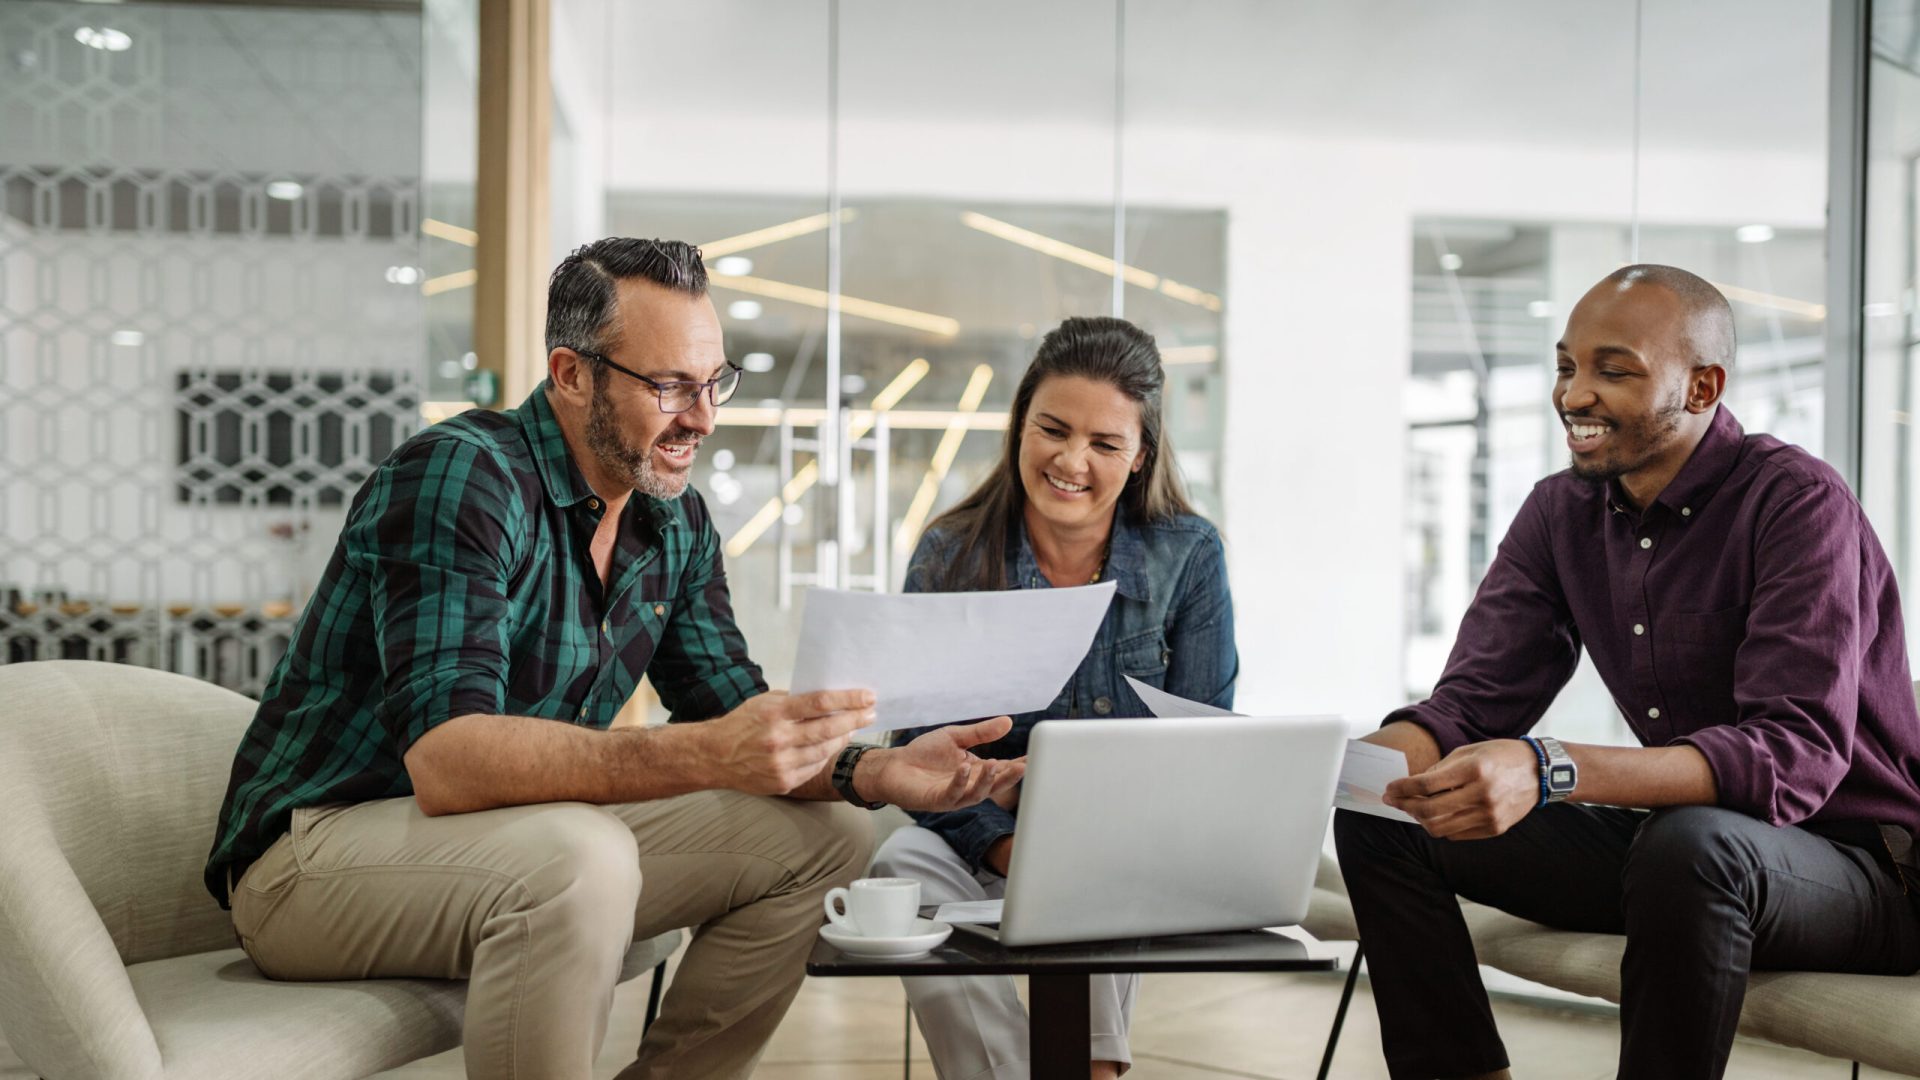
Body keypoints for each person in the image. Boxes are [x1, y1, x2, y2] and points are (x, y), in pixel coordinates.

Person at [202, 238, 1023, 1080]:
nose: (702, 418)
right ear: (572, 374)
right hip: (313, 863)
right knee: (580, 854)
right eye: (669, 386)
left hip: (511, 845)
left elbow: (731, 708)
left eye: (713, 384)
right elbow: (447, 762)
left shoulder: (675, 523)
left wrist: (879, 771)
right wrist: (708, 752)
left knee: (830, 838)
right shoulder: (461, 476)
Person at [1334, 264, 1920, 1080]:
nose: (1575, 394)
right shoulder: (1559, 512)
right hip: (1682, 859)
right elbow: (1469, 705)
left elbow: (1793, 757)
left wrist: (1548, 768)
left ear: (1703, 385)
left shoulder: (1798, 503)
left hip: (1862, 870)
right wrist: (1344, 772)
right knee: (1382, 814)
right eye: (1568, 366)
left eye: (1614, 370)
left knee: (1692, 844)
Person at [871, 316, 1238, 1080]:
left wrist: (1067, 849)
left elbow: (1207, 746)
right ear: (1020, 429)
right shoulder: (950, 554)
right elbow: (919, 754)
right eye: (1053, 430)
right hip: (988, 840)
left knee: (1098, 856)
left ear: (1139, 457)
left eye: (1105, 444)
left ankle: (1092, 1069)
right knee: (900, 861)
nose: (1072, 461)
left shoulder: (1189, 556)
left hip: (1120, 848)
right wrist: (1010, 850)